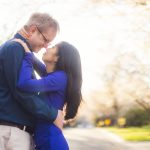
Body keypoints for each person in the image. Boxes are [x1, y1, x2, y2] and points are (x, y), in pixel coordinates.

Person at [0, 12, 63, 150]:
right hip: (10, 134)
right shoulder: (14, 48)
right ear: (33, 30)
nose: (46, 46)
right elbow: (20, 91)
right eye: (46, 40)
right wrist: (53, 114)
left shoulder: (21, 50)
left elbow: (46, 74)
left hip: (14, 133)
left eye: (49, 43)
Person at [14, 39, 82, 150]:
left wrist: (27, 56)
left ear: (57, 58)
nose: (47, 47)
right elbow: (40, 67)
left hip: (51, 143)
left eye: (53, 47)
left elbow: (24, 84)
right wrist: (27, 50)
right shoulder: (57, 77)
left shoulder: (59, 78)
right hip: (47, 140)